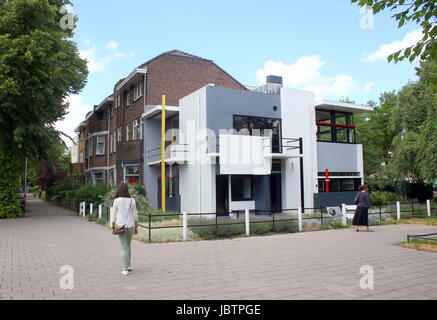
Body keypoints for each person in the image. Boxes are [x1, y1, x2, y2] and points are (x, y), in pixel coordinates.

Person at [111, 183, 139, 276]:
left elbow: (113, 215)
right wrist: (136, 227)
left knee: (123, 247)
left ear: (119, 190)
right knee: (128, 245)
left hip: (120, 226)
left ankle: (125, 269)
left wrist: (113, 226)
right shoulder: (132, 201)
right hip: (130, 225)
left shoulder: (116, 201)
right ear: (127, 190)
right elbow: (135, 215)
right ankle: (129, 265)